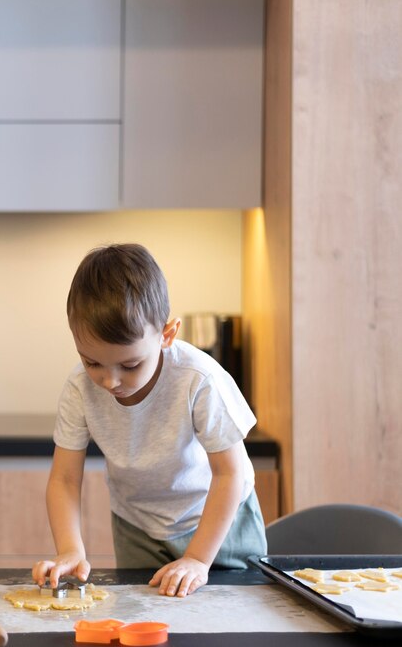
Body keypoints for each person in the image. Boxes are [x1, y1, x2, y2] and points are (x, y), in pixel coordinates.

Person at [32, 244, 266, 599]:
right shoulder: (79, 388)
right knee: (145, 619)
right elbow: (64, 479)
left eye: (129, 365)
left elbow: (229, 473)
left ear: (167, 334)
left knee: (231, 619)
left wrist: (199, 560)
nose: (110, 381)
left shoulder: (198, 379)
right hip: (138, 526)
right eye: (92, 362)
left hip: (220, 522)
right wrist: (70, 549)